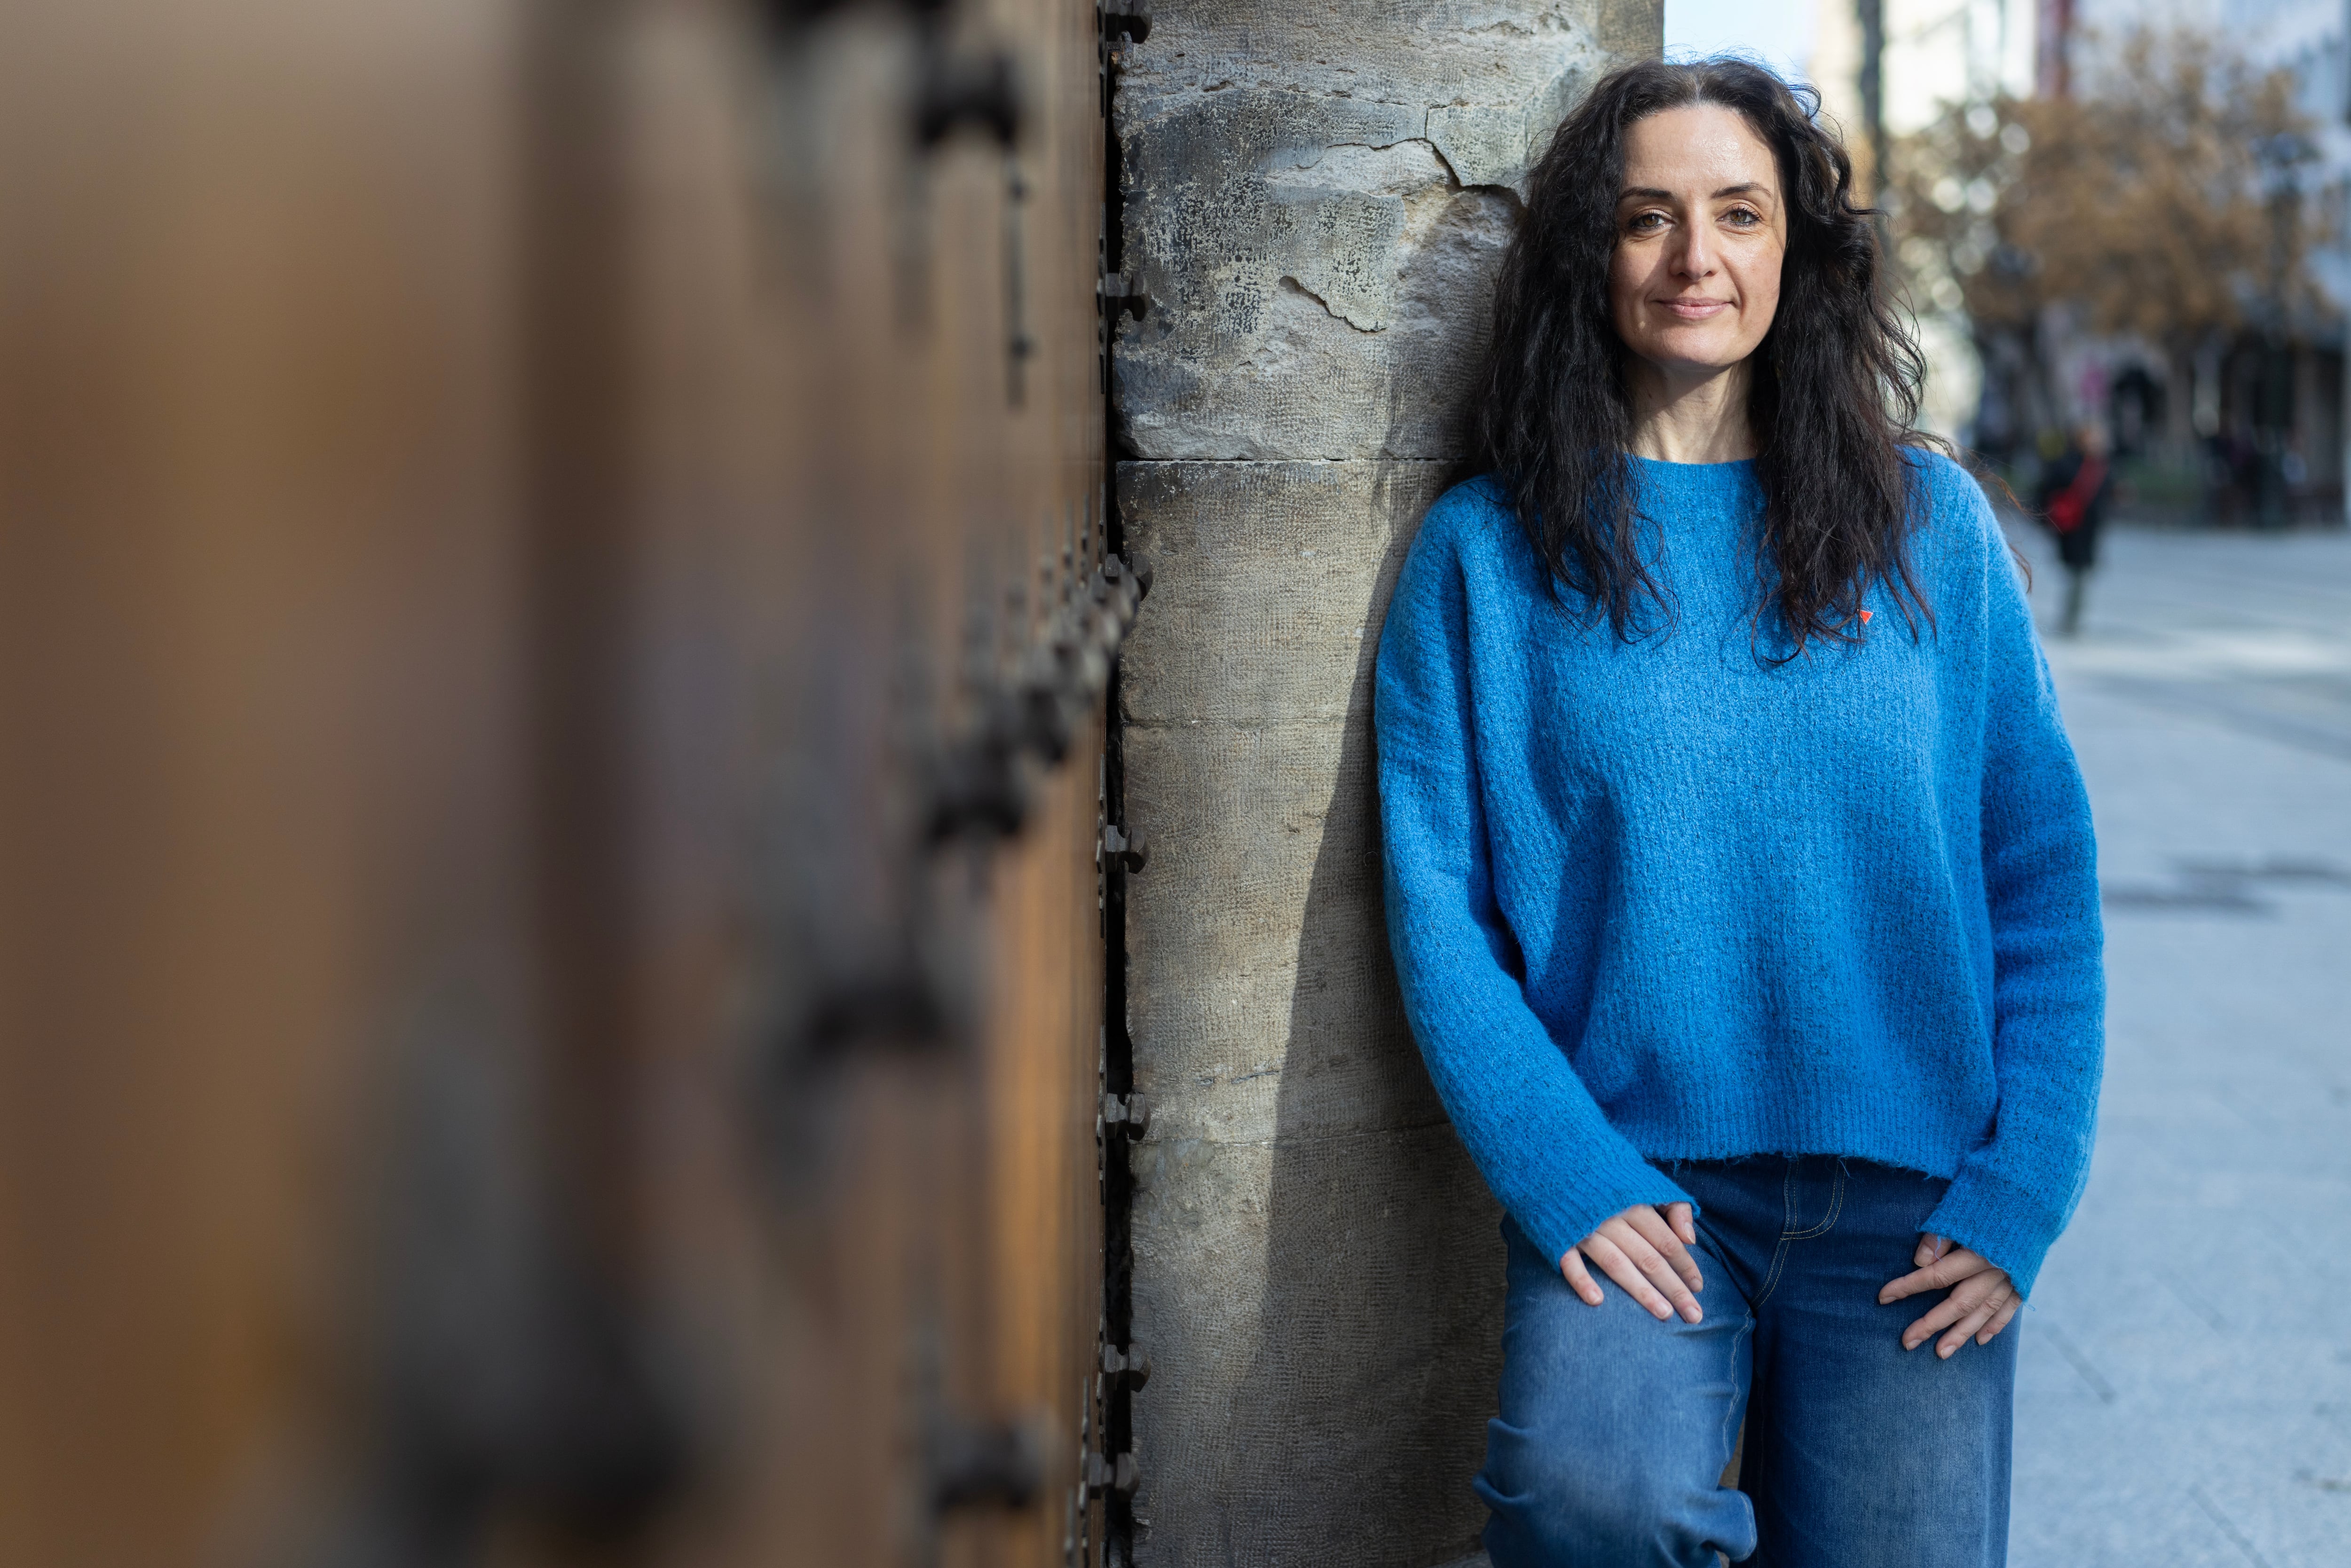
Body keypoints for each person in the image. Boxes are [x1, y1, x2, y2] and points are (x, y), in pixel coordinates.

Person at [1374, 59, 2104, 1568]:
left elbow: (2037, 871)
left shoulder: (1928, 530)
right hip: (1641, 1185)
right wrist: (1557, 1166)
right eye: (1646, 216)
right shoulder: (1487, 553)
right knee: (1592, 1499)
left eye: (1736, 213)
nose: (1693, 257)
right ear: (1592, 248)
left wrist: (2023, 1178)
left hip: (1912, 1214)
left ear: (1794, 249)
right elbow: (1434, 899)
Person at [2034, 423, 2114, 636]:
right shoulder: (2066, 463)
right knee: (2076, 570)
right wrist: (2044, 519)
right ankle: (2072, 618)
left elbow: (2107, 493)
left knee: (2081, 571)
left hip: (2090, 528)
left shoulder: (2101, 465)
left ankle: (2072, 617)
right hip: (2071, 527)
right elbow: (2046, 491)